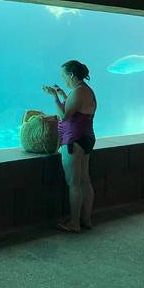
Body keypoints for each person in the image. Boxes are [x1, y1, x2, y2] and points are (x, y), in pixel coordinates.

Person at [42, 60, 97, 233]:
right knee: (85, 181)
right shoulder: (87, 90)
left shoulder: (78, 92)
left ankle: (74, 223)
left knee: (74, 183)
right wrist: (62, 93)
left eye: (64, 75)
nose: (63, 79)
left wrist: (54, 97)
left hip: (73, 140)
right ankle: (86, 219)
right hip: (87, 138)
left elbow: (64, 115)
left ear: (72, 75)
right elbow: (76, 107)